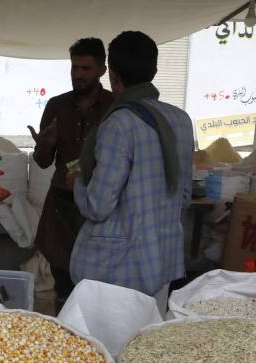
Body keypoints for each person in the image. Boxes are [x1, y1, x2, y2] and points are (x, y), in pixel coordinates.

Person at [70, 31, 193, 313]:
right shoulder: (181, 120)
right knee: (148, 334)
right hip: (162, 259)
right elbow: (184, 196)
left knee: (111, 337)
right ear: (154, 71)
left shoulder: (119, 123)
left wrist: (78, 181)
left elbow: (98, 206)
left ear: (113, 75)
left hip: (121, 267)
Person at [27, 38, 113, 307]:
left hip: (99, 205)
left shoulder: (115, 106)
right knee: (62, 282)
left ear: (102, 70)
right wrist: (45, 145)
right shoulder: (57, 105)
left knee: (96, 284)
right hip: (62, 206)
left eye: (86, 68)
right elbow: (43, 162)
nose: (78, 74)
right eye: (74, 67)